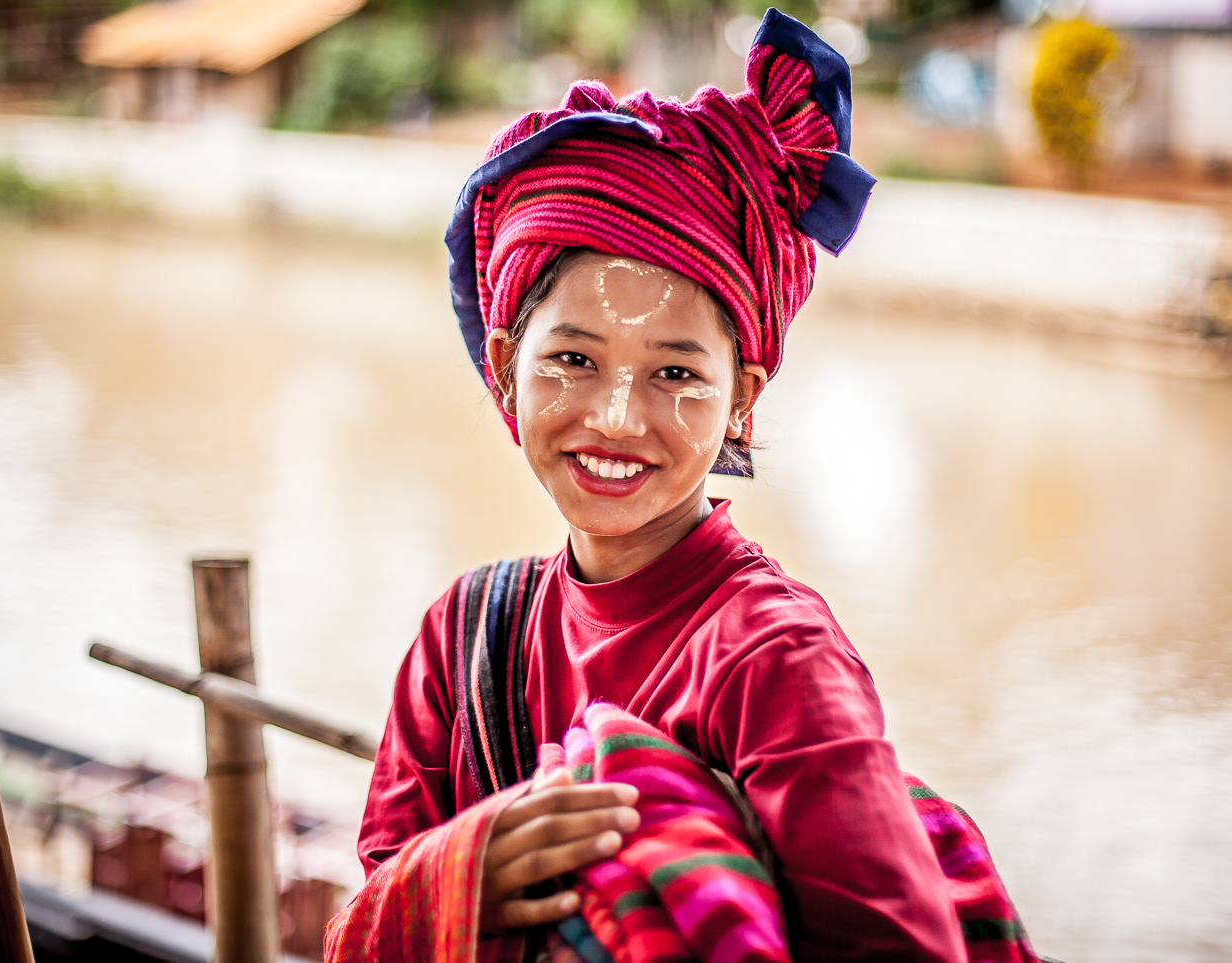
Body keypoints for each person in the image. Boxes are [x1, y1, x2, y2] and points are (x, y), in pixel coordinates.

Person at [327, 10, 1030, 963]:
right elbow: (361, 924)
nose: (616, 419)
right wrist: (464, 870)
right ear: (504, 364)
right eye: (572, 357)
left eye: (675, 374)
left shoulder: (773, 658)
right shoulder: (461, 643)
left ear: (741, 398)